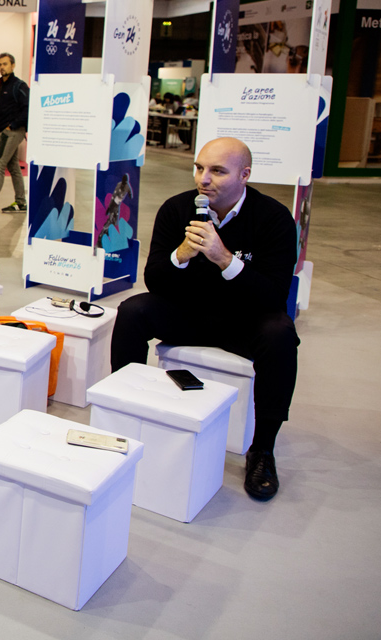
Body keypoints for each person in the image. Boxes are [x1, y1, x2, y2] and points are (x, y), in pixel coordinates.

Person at [110, 137, 300, 502]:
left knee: (280, 336)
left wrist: (224, 258)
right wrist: (180, 254)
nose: (203, 179)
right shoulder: (177, 209)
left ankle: (262, 450)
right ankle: (124, 412)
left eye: (217, 171)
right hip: (190, 314)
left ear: (245, 175)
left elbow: (274, 297)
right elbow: (155, 281)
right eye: (199, 168)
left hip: (245, 320)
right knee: (134, 310)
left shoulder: (273, 218)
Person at [0, 52, 29, 213]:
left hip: (13, 131)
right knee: (13, 166)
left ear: (13, 66)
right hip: (3, 132)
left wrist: (12, 125)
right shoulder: (2, 85)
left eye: (5, 64)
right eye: (0, 64)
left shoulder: (18, 85)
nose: (2, 67)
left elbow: (28, 107)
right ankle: (20, 202)